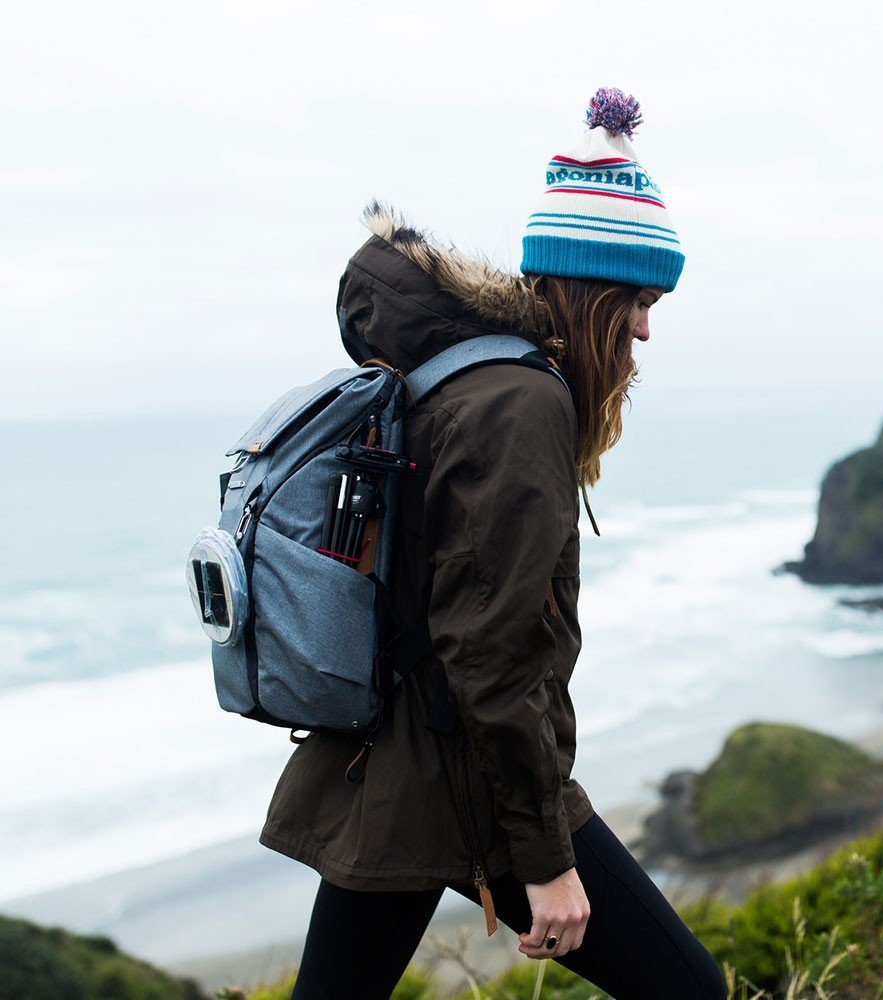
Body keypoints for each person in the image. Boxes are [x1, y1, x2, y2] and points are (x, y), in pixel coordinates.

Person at [259, 88, 727, 1000]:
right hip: (466, 773)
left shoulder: (466, 379)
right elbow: (494, 653)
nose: (643, 327)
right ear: (591, 289)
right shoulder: (523, 403)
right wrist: (545, 857)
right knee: (688, 990)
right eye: (634, 297)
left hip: (390, 760)